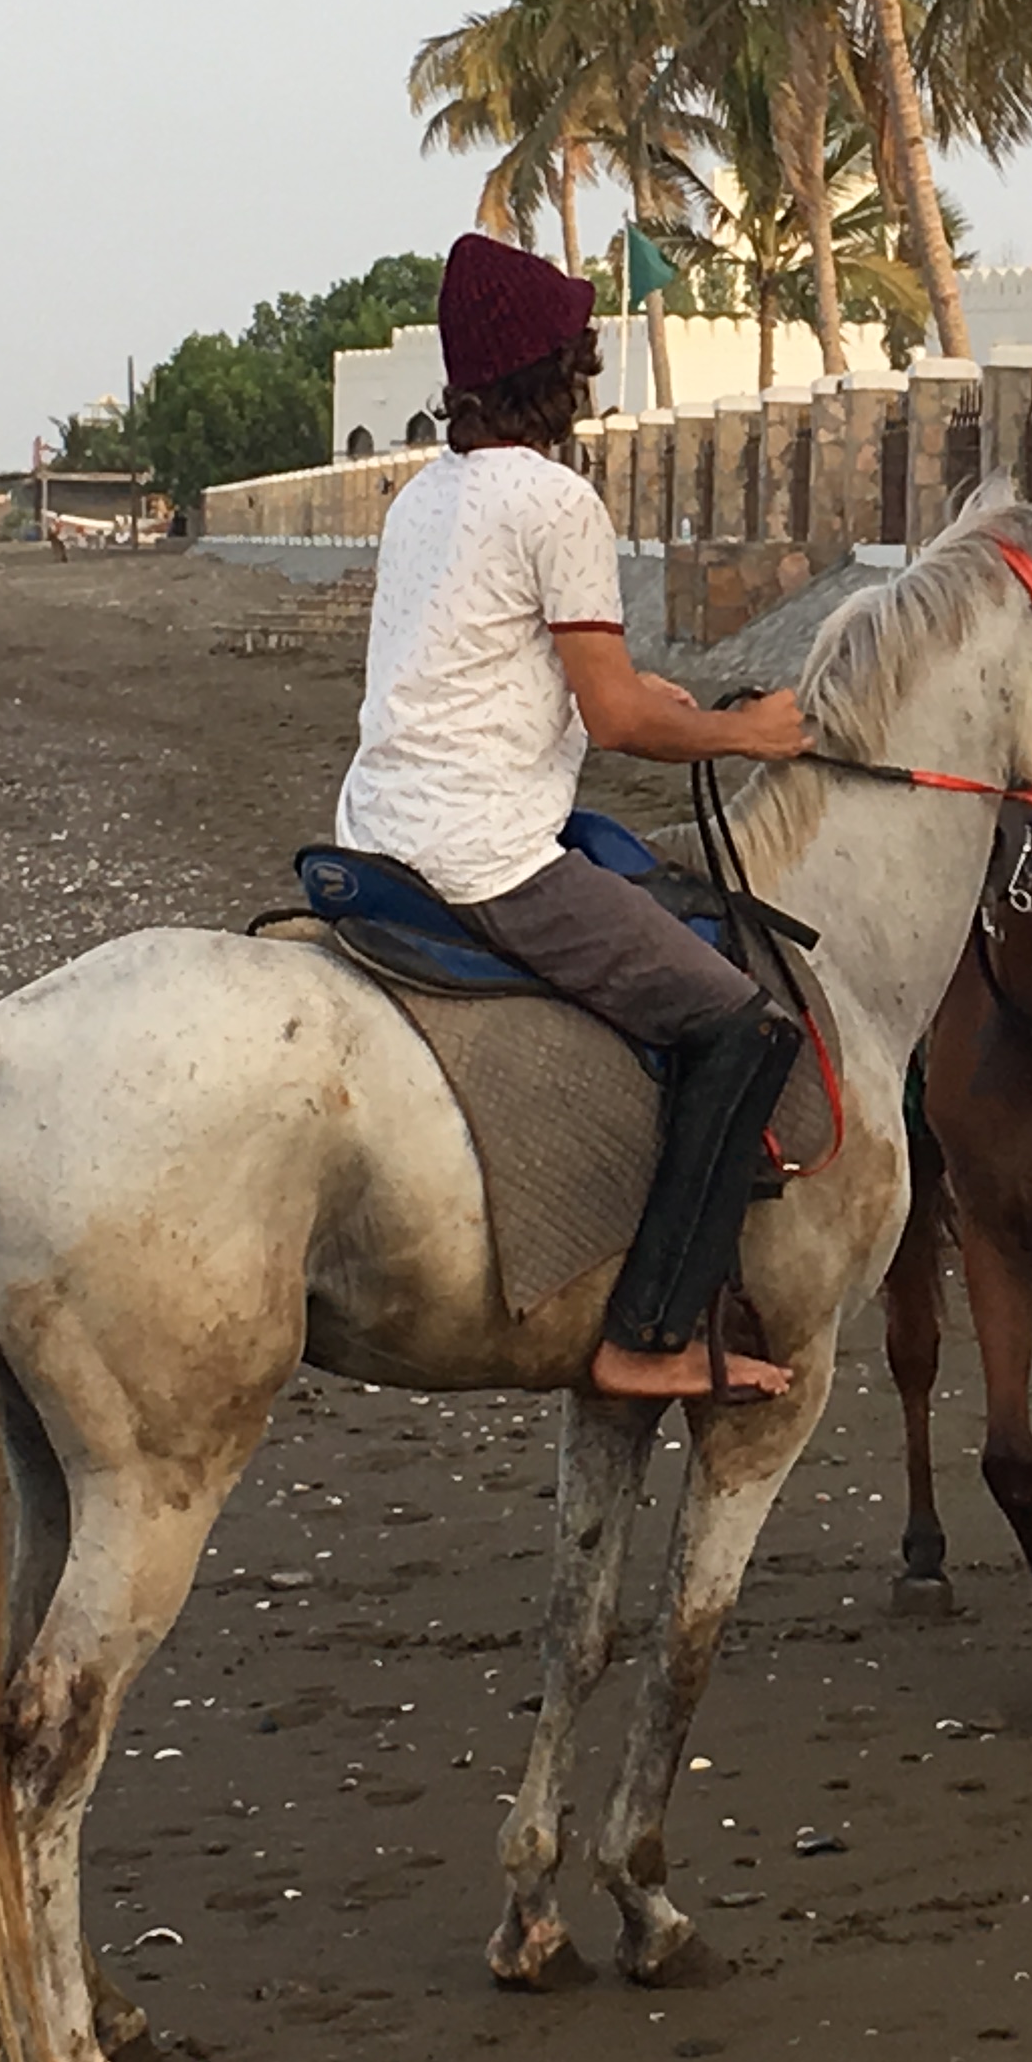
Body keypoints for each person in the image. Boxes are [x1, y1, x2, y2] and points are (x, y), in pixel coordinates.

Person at [335, 230, 812, 1403]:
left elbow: (545, 668)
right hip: (485, 852)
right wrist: (749, 736)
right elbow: (613, 720)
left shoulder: (423, 499)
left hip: (373, 833)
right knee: (742, 1024)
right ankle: (645, 1331)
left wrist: (667, 698)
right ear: (555, 377)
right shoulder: (556, 501)